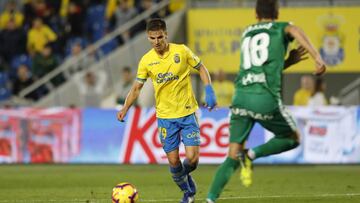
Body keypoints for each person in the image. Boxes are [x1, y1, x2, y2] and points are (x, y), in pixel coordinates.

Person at [206, 0, 326, 202]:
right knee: (293, 138)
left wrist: (288, 61)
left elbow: (259, 68)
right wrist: (317, 58)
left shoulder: (247, 32)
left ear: (255, 14)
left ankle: (209, 199)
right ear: (277, 12)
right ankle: (251, 155)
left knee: (231, 155)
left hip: (241, 98)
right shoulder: (280, 27)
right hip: (264, 98)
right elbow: (295, 30)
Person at [117, 18, 216, 203]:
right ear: (148, 37)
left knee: (192, 160)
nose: (156, 42)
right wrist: (125, 107)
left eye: (160, 37)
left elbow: (201, 68)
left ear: (166, 35)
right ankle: (187, 191)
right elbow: (137, 87)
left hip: (187, 113)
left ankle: (181, 176)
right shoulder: (146, 61)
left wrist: (209, 90)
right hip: (165, 117)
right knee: (173, 161)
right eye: (152, 38)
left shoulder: (182, 51)